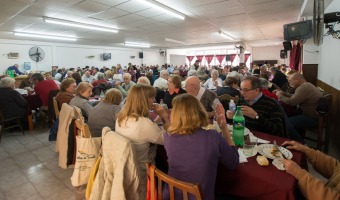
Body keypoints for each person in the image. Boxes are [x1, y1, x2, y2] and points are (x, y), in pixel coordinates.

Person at [164, 94, 239, 200]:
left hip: (170, 194)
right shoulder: (213, 137)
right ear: (200, 111)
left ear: (175, 114)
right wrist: (224, 129)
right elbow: (233, 163)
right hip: (199, 196)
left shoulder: (168, 135)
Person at [115, 84, 169, 197]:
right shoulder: (143, 123)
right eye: (152, 97)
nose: (154, 100)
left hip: (126, 166)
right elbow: (168, 140)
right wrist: (164, 116)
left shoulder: (121, 117)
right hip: (142, 169)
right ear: (144, 100)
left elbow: (146, 132)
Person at [276, 72, 323, 143]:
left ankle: (301, 144)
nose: (289, 83)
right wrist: (284, 93)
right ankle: (297, 139)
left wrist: (279, 95)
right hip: (313, 115)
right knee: (288, 117)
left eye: (290, 81)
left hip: (312, 118)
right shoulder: (307, 85)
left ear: (296, 81)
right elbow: (296, 96)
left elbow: (291, 102)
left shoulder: (303, 88)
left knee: (285, 123)